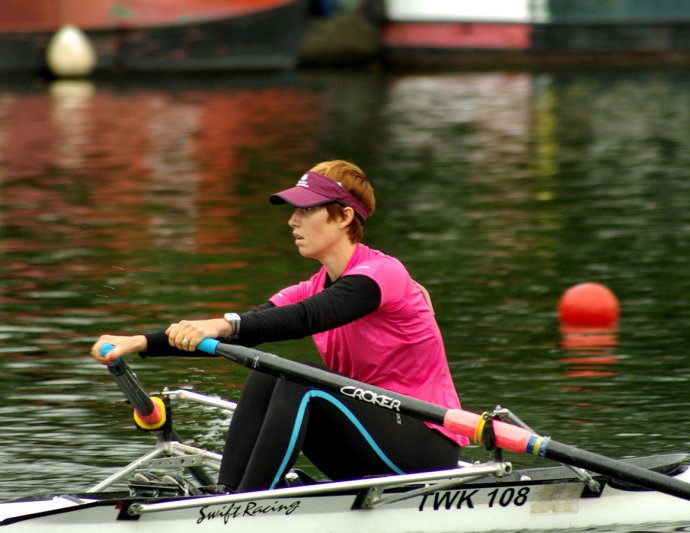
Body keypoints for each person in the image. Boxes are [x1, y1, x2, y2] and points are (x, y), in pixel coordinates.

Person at [90, 159, 468, 492]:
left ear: (344, 216)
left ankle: (246, 504)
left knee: (299, 380)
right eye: (293, 211)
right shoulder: (310, 287)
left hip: (423, 444)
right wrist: (139, 342)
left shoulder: (383, 273)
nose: (292, 220)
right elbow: (252, 328)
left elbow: (308, 318)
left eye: (305, 210)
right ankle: (229, 493)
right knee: (268, 371)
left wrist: (220, 325)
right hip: (369, 438)